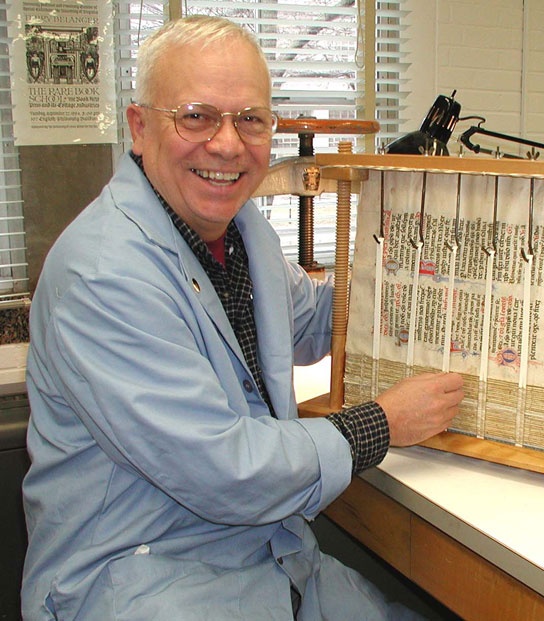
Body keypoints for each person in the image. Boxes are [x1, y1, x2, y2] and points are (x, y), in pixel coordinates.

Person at [22, 15, 464, 620]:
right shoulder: (103, 274)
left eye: (250, 120)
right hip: (143, 578)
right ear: (138, 128)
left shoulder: (239, 234)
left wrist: (437, 289)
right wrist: (382, 423)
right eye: (196, 116)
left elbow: (312, 322)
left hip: (263, 556)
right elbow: (225, 470)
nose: (228, 144)